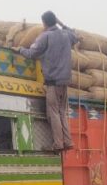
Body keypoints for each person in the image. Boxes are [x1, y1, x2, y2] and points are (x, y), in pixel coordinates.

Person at [14, 11, 77, 153]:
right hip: (65, 81)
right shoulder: (66, 35)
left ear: (44, 23)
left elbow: (32, 53)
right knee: (62, 112)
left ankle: (58, 143)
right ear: (55, 21)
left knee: (53, 112)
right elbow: (75, 35)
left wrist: (20, 50)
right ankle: (68, 141)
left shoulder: (45, 37)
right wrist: (61, 23)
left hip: (53, 82)